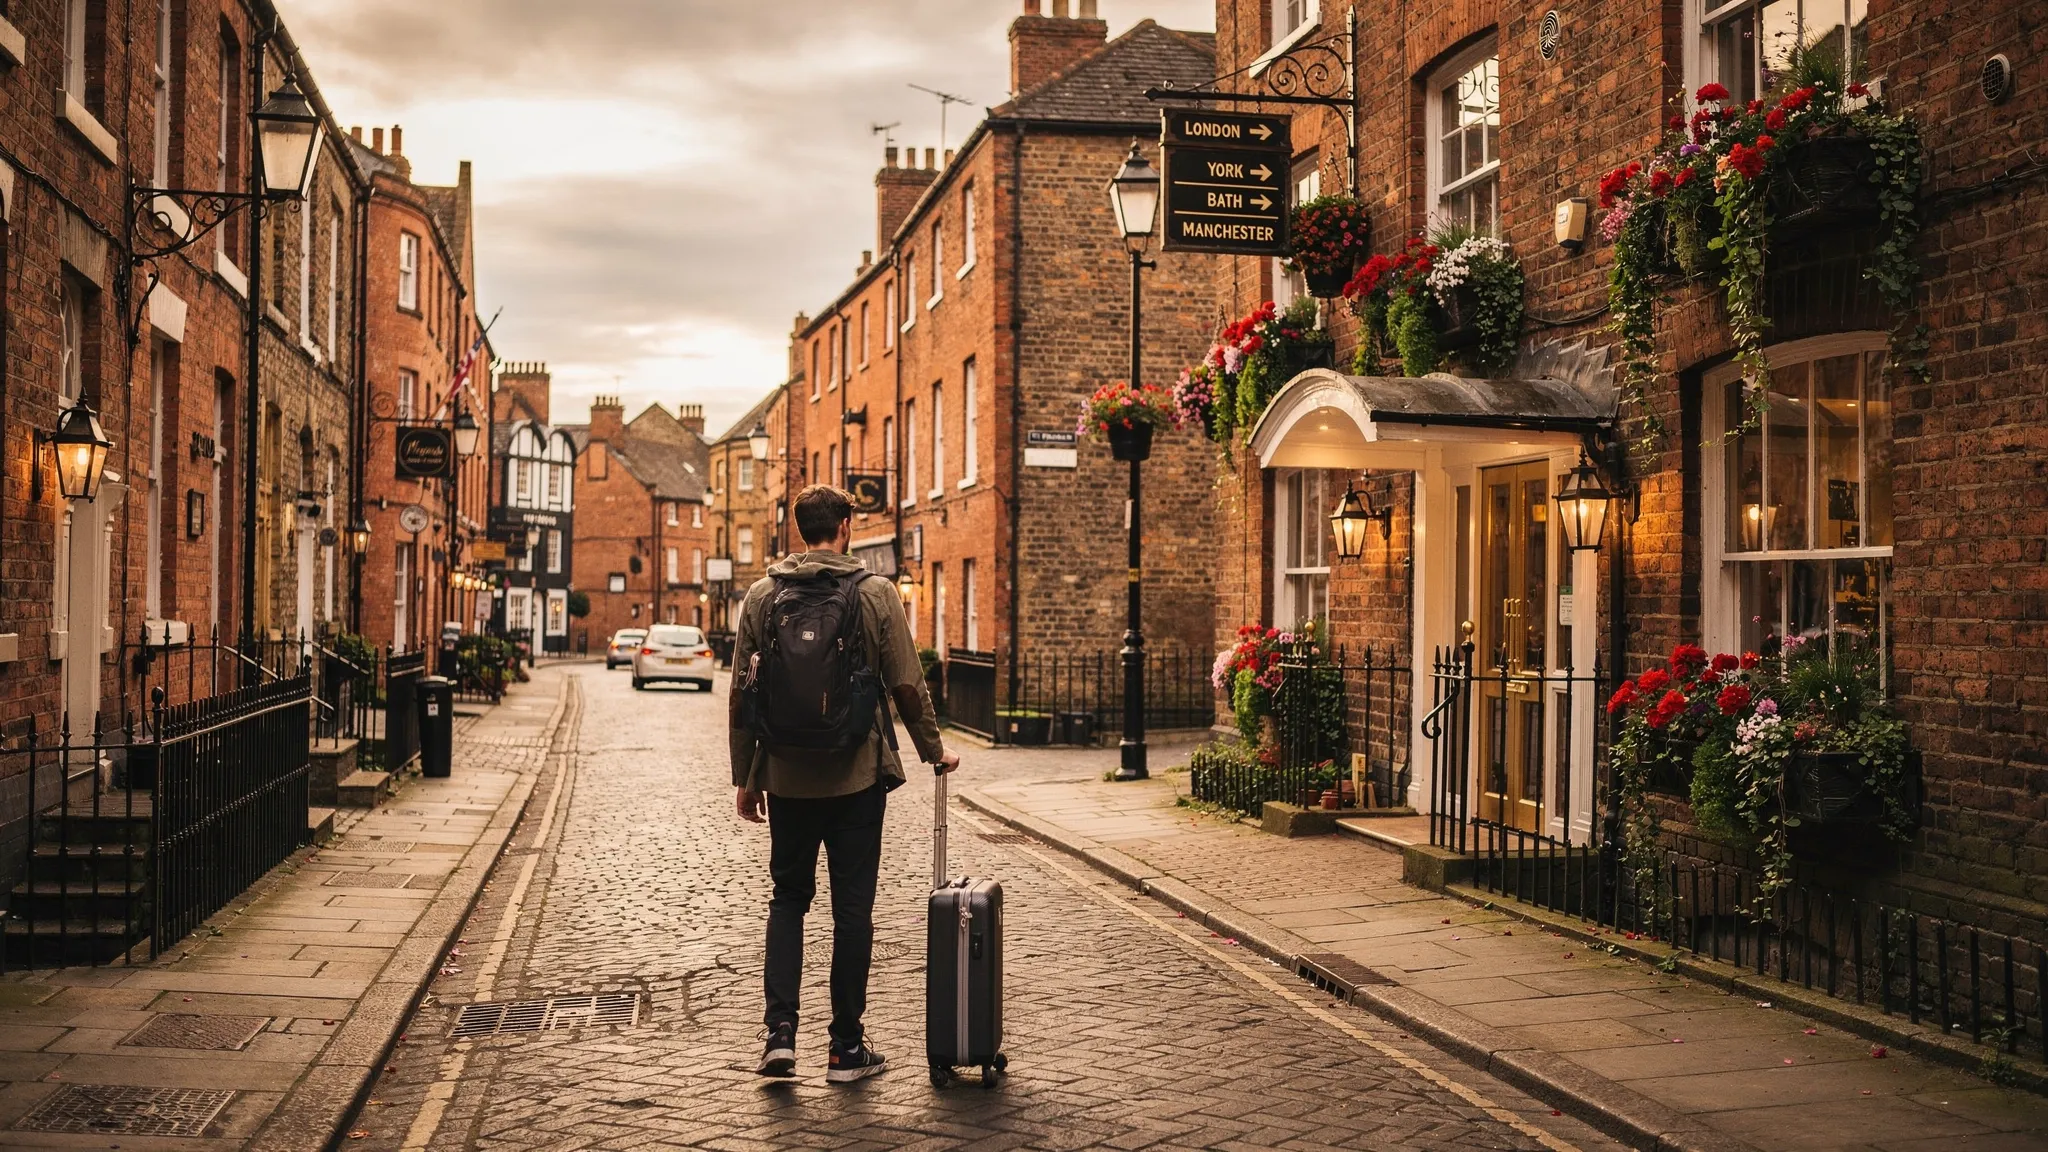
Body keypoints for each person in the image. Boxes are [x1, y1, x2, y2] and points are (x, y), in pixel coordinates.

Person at [730, 484, 957, 1082]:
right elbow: (907, 684)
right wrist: (935, 752)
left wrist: (746, 778)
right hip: (856, 778)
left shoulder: (761, 594)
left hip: (785, 778)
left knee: (787, 900)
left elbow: (742, 696)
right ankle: (845, 1049)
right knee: (852, 913)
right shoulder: (876, 594)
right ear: (847, 527)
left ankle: (779, 1036)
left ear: (800, 529)